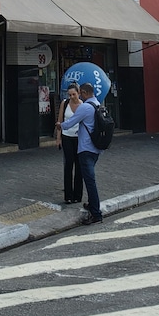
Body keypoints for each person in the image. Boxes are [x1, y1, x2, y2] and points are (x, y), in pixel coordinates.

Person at [57, 81, 103, 225]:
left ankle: (96, 213)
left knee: (90, 181)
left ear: (82, 93)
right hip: (96, 148)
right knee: (88, 178)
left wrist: (60, 125)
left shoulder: (85, 107)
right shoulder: (97, 104)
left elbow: (70, 122)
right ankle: (91, 204)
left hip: (86, 148)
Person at [55, 84, 83, 204]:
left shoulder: (83, 105)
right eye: (69, 95)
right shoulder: (65, 103)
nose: (71, 97)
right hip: (67, 137)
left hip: (79, 138)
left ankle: (77, 195)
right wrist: (58, 138)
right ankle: (68, 196)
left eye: (74, 94)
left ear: (79, 93)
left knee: (79, 166)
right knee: (68, 165)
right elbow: (60, 121)